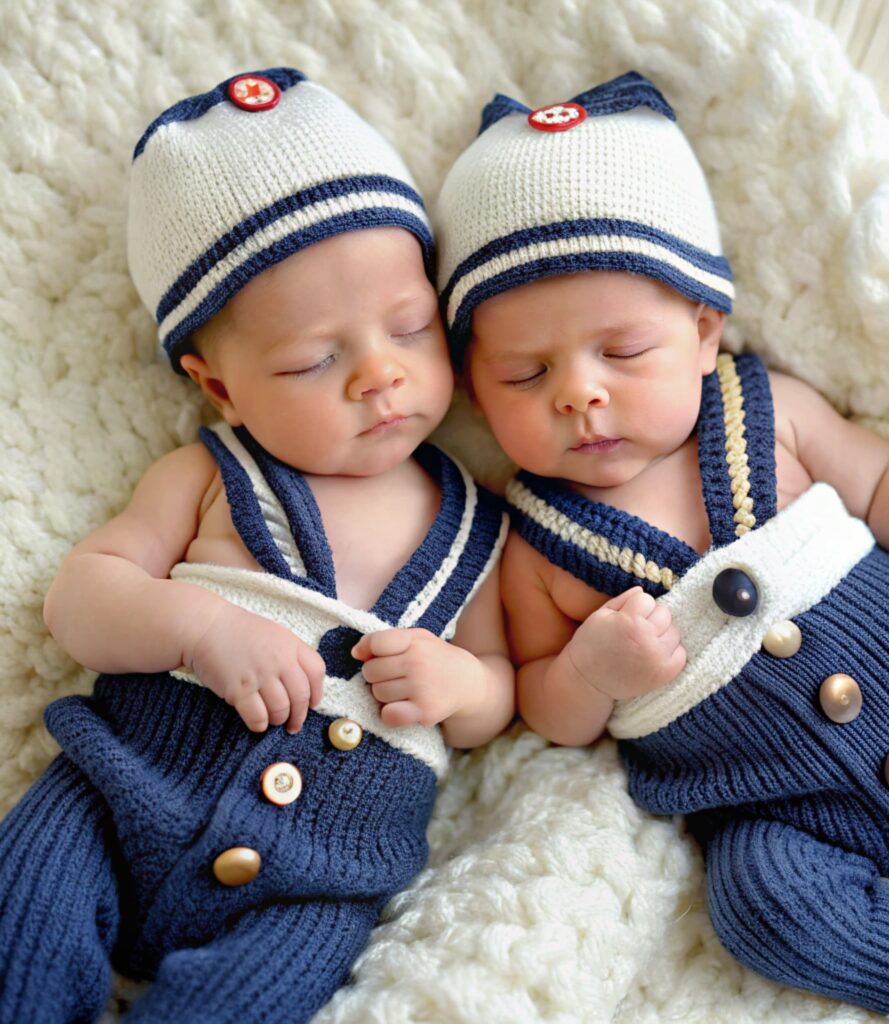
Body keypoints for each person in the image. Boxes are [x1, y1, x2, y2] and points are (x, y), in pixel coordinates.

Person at [434, 70, 889, 1023]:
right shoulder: (534, 541)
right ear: (473, 387)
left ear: (705, 330)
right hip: (792, 821)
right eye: (525, 371)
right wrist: (592, 669)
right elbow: (547, 704)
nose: (580, 393)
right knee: (758, 904)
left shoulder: (767, 411)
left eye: (622, 352)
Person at [0, 68, 512, 1024]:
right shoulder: (209, 475)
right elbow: (81, 598)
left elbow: (497, 689)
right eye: (313, 359)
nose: (379, 375)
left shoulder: (477, 526)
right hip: (117, 799)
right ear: (221, 387)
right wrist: (194, 627)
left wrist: (459, 685)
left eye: (410, 326)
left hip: (320, 881)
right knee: (23, 909)